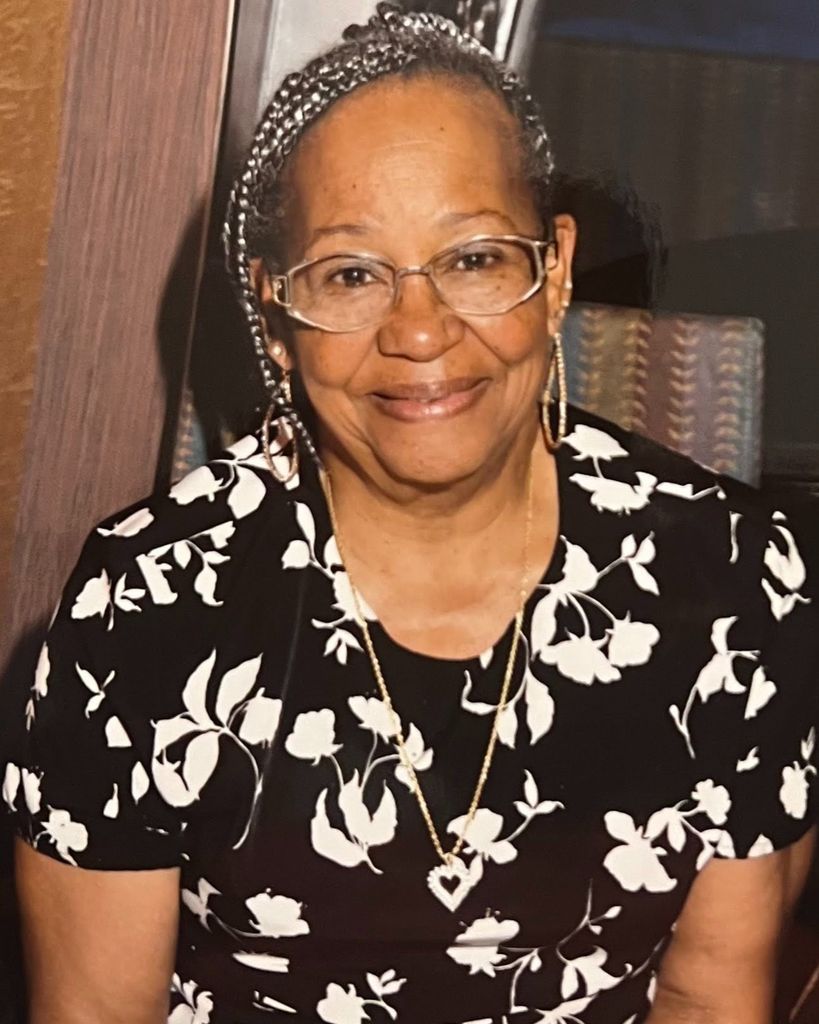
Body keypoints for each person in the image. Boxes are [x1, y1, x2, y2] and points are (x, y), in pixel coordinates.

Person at [4, 5, 818, 1022]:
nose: (420, 332)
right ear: (277, 315)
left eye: (473, 258)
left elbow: (707, 997)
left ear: (554, 272)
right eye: (351, 274)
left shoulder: (733, 576)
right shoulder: (144, 606)